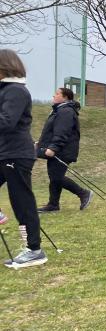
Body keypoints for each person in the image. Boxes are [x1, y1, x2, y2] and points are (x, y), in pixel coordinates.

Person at [0, 50, 46, 268]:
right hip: (7, 152)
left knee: (22, 201)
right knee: (21, 200)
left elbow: (6, 122)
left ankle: (34, 250)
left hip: (16, 154)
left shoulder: (15, 91)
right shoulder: (6, 90)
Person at [35, 87, 93, 213]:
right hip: (59, 149)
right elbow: (51, 132)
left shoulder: (65, 111)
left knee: (56, 177)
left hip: (62, 150)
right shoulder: (60, 110)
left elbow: (62, 132)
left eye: (56, 94)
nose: (53, 96)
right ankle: (53, 205)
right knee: (55, 177)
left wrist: (53, 148)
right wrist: (40, 144)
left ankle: (83, 193)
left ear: (65, 97)